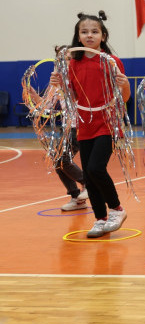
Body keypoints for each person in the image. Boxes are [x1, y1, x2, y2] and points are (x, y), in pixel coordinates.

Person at [50, 11, 130, 238]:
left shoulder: (111, 61)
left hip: (107, 122)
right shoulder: (73, 63)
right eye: (84, 31)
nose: (89, 35)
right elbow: (73, 96)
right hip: (84, 124)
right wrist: (58, 84)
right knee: (89, 173)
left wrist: (124, 85)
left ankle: (116, 209)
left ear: (103, 36)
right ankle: (100, 219)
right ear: (78, 35)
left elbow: (124, 97)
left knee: (96, 168)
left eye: (94, 31)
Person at [26, 48, 88, 211]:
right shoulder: (56, 83)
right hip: (68, 128)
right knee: (58, 160)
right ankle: (76, 198)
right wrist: (33, 95)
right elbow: (47, 107)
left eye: (68, 58)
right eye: (61, 59)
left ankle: (87, 183)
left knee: (63, 160)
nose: (64, 62)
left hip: (83, 127)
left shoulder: (79, 79)